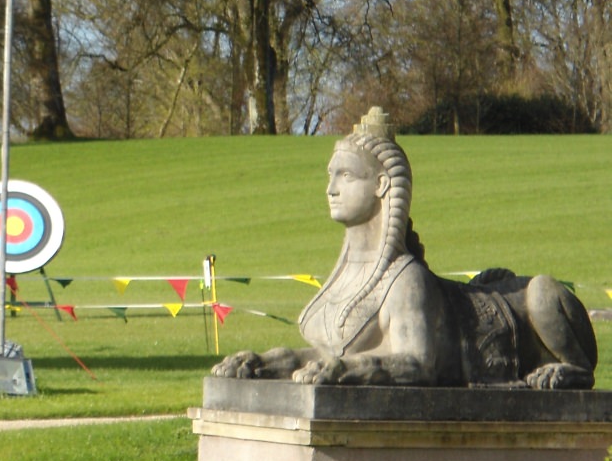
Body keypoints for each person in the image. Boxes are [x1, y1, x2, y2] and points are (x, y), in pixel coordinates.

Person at [213, 108, 597, 387]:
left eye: (345, 176)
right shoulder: (357, 275)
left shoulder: (407, 281)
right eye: (331, 176)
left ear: (381, 185)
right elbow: (329, 354)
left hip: (534, 327)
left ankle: (575, 367)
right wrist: (265, 362)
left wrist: (344, 371)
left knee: (543, 293)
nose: (330, 189)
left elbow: (415, 363)